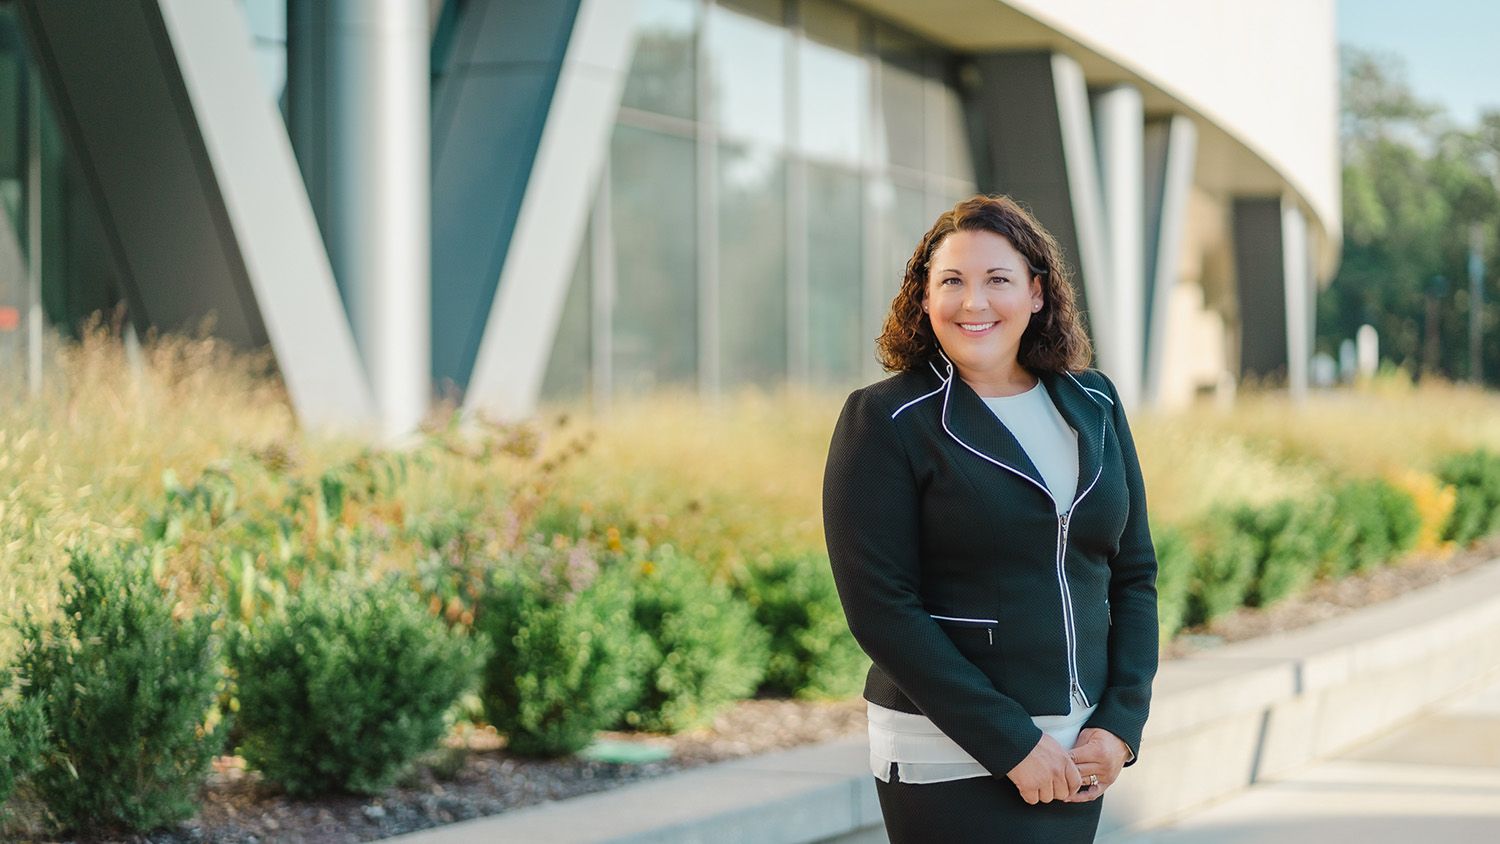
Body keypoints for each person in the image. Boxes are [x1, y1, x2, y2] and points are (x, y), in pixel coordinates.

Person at [822, 194, 1159, 841]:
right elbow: (880, 607)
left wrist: (1120, 725)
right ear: (923, 297)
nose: (973, 303)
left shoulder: (1096, 402)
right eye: (951, 281)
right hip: (945, 752)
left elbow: (1134, 574)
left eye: (997, 280)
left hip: (1079, 749)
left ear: (1037, 292)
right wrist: (1010, 744)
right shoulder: (886, 419)